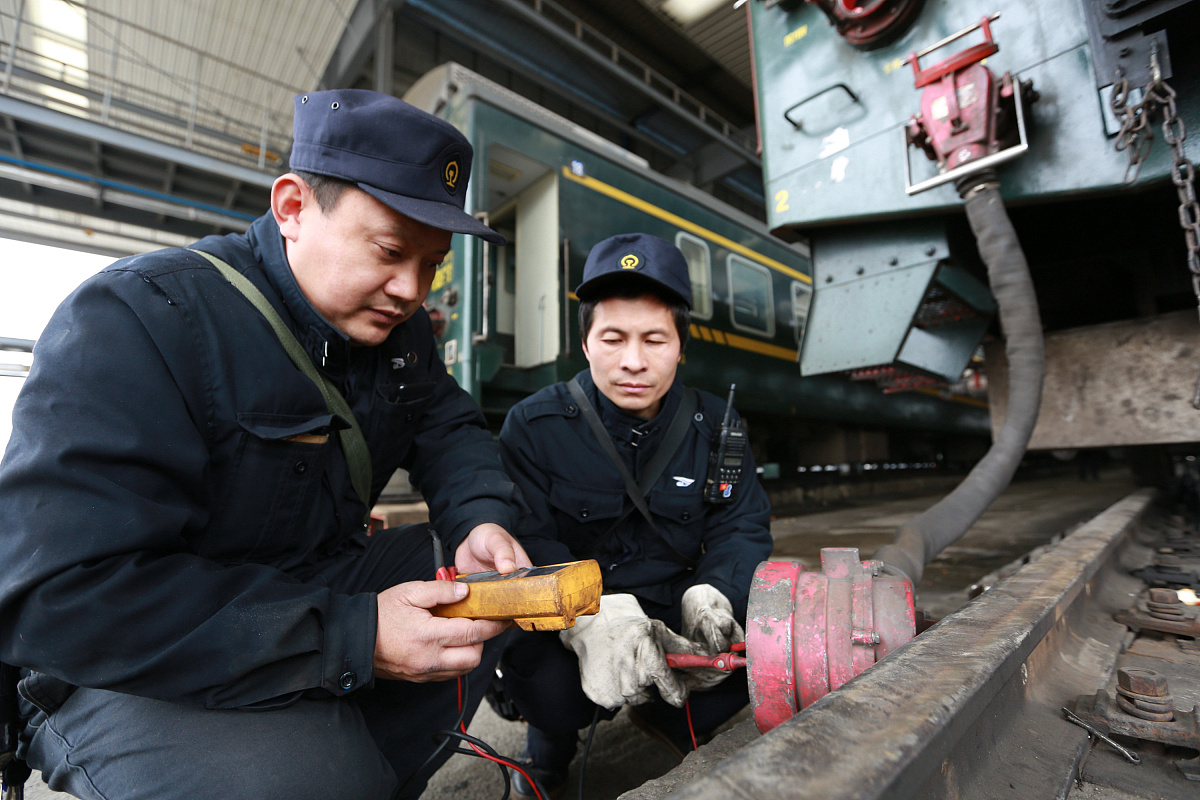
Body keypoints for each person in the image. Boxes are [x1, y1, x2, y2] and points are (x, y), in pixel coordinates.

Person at [0, 89, 532, 800]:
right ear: (291, 208)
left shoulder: (398, 335)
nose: (411, 289)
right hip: (116, 658)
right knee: (312, 780)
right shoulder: (144, 317)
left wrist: (480, 518)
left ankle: (360, 764)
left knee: (498, 591)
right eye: (390, 250)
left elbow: (447, 425)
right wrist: (356, 639)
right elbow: (62, 597)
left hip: (298, 594)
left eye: (433, 263)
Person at [496, 233, 773, 797]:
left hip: (673, 603)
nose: (633, 361)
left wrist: (715, 592)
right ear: (585, 342)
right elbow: (525, 542)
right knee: (542, 680)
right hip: (574, 618)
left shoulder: (718, 427)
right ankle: (549, 742)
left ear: (681, 347)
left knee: (751, 655)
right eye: (614, 337)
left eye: (654, 339)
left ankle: (672, 716)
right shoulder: (532, 426)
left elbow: (740, 526)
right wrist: (585, 617)